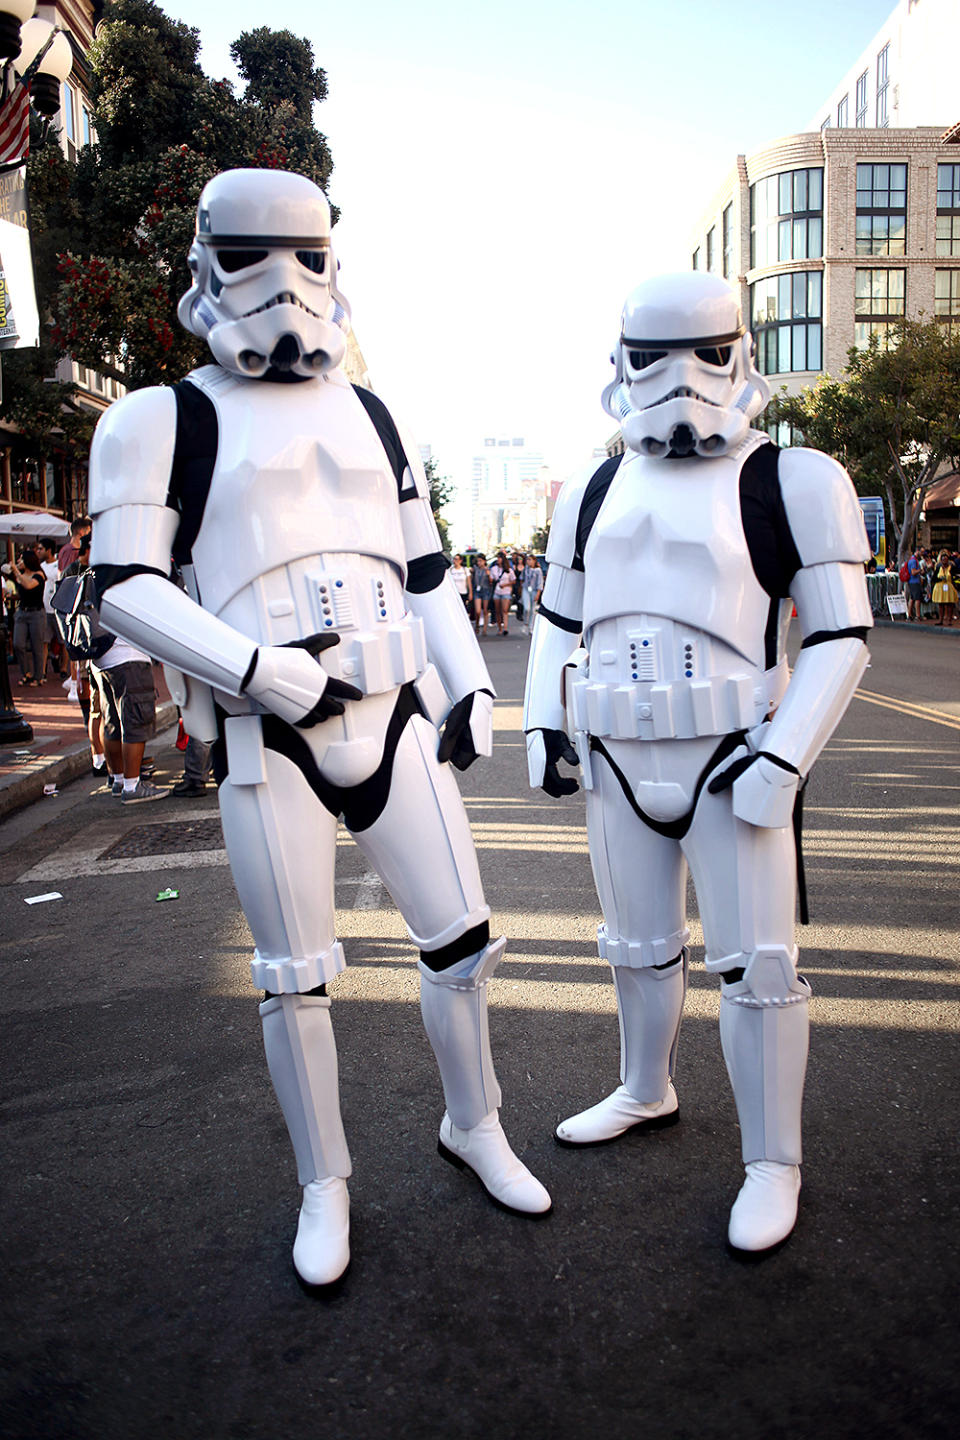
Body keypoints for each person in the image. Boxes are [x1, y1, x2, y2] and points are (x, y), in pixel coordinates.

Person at [87, 168, 550, 1288]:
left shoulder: (373, 411)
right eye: (252, 254)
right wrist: (257, 672)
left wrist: (469, 687)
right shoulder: (159, 418)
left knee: (462, 947)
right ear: (204, 260)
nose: (285, 284)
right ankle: (323, 1182)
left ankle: (474, 1122)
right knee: (293, 975)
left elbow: (429, 570)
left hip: (393, 718)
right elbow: (123, 584)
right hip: (267, 731)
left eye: (308, 254)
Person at [524, 271, 872, 1255]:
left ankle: (773, 1160)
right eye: (654, 357)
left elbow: (841, 636)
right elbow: (557, 617)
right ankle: (645, 1087)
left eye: (705, 355)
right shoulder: (592, 487)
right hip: (617, 758)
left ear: (741, 355)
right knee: (634, 949)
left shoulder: (795, 479)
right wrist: (543, 724)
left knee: (759, 971)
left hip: (736, 757)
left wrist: (787, 759)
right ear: (620, 364)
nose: (680, 380)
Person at [11, 548, 46, 685]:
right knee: (18, 643)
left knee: (37, 646)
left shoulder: (39, 575)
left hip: (36, 613)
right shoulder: (21, 574)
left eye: (21, 559)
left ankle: (38, 677)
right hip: (22, 612)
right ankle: (26, 672)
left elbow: (28, 585)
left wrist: (15, 571)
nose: (19, 561)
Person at [490, 550, 516, 635]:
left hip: (506, 591)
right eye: (497, 558)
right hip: (497, 591)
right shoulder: (494, 569)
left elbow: (513, 580)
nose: (498, 559)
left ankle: (505, 627)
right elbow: (491, 579)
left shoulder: (509, 570)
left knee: (504, 610)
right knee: (497, 611)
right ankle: (500, 628)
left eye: (500, 558)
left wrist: (506, 584)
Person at [931, 550, 957, 626]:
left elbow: (956, 577)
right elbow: (934, 579)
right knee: (941, 604)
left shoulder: (952, 567)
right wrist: (940, 579)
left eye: (946, 559)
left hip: (949, 587)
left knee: (950, 604)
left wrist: (955, 583)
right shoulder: (938, 568)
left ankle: (949, 620)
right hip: (940, 587)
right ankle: (941, 619)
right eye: (943, 560)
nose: (944, 561)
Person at [521, 553, 543, 630]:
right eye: (527, 560)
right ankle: (525, 622)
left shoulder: (538, 570)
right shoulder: (526, 569)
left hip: (534, 590)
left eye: (530, 560)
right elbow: (522, 578)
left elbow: (540, 583)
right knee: (527, 608)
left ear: (534, 561)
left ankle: (531, 627)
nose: (528, 561)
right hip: (526, 589)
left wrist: (538, 594)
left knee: (532, 609)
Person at [472, 553, 492, 635]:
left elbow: (491, 582)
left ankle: (484, 629)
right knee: (478, 611)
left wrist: (489, 575)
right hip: (477, 591)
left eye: (480, 561)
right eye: (478, 561)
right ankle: (477, 624)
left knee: (485, 610)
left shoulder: (487, 570)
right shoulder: (475, 569)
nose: (479, 563)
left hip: (486, 590)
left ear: (484, 561)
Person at [450, 553, 472, 617]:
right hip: (454, 593)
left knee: (463, 609)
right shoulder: (451, 570)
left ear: (460, 561)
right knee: (455, 610)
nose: (455, 561)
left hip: (463, 592)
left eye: (456, 559)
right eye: (454, 559)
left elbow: (469, 582)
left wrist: (470, 593)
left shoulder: (465, 569)